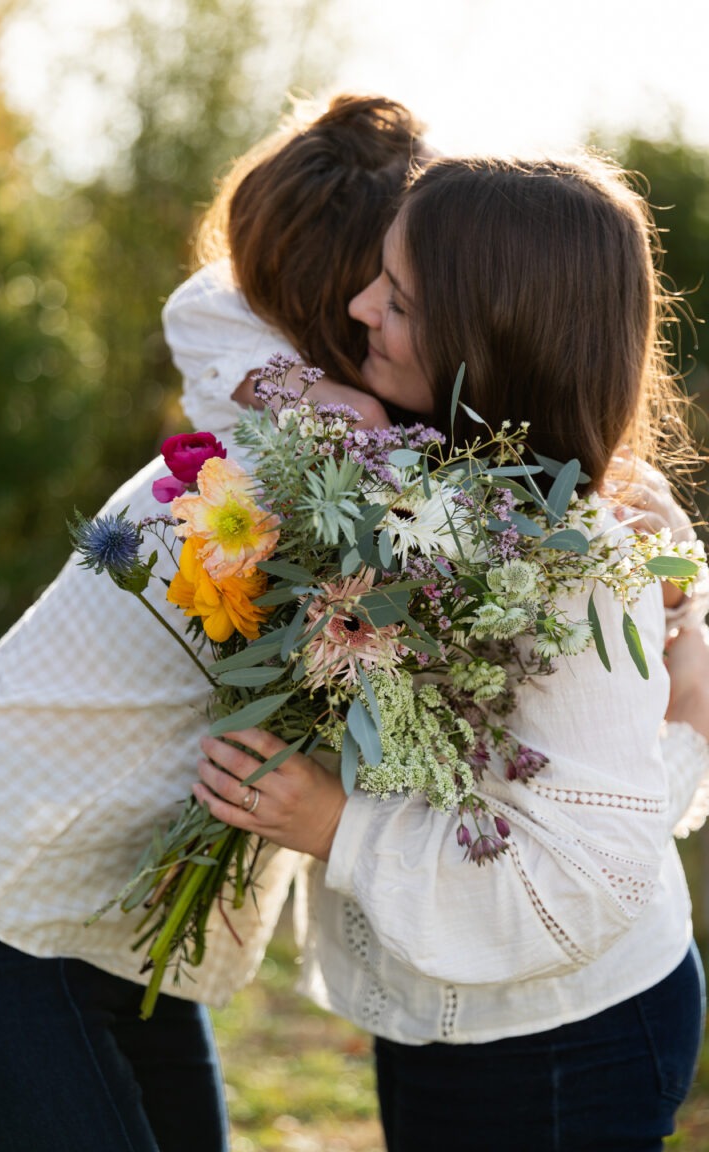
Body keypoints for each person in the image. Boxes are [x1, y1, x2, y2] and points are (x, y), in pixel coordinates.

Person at [0, 93, 427, 1152]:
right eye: (411, 271)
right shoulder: (302, 465)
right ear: (351, 295)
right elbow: (209, 299)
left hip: (108, 907)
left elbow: (210, 301)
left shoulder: (287, 410)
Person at [194, 153, 709, 1151]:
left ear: (488, 326)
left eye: (397, 297)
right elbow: (204, 307)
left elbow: (593, 877)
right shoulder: (421, 473)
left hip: (565, 1041)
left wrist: (341, 825)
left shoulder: (581, 557)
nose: (354, 308)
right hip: (437, 1013)